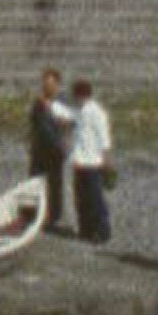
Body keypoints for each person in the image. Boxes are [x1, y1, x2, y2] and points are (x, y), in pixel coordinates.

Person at [50, 80, 113, 244]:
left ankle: (102, 231)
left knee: (95, 199)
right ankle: (86, 229)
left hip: (93, 163)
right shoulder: (77, 111)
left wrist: (107, 162)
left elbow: (104, 139)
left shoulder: (97, 113)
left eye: (77, 96)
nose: (76, 99)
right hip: (79, 162)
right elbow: (62, 114)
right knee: (81, 198)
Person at [27, 68, 67, 227]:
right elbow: (34, 124)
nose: (47, 87)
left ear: (57, 85)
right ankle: (35, 214)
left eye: (50, 84)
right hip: (39, 149)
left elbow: (66, 123)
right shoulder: (38, 103)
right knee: (35, 183)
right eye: (45, 84)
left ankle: (54, 217)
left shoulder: (61, 102)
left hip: (55, 149)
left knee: (55, 184)